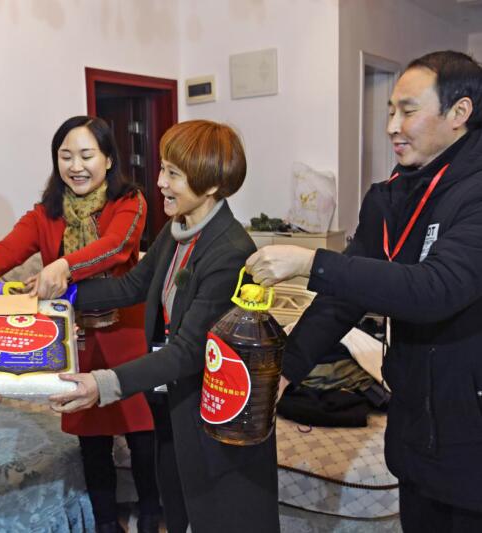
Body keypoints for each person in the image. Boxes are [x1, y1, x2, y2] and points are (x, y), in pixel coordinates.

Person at [246, 50, 482, 532]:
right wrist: (285, 371)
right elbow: (343, 299)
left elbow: (435, 289)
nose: (393, 126)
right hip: (414, 428)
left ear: (459, 112)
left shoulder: (475, 192)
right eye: (390, 111)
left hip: (470, 432)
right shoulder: (390, 195)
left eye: (408, 111)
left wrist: (311, 262)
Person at [49, 120, 280, 533]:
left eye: (173, 173)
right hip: (175, 404)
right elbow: (132, 286)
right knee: (177, 509)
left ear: (211, 184)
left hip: (214, 417)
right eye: (162, 169)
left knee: (220, 517)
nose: (159, 182)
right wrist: (57, 297)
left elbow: (188, 351)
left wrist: (102, 384)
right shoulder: (179, 231)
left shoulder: (229, 252)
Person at [0, 116, 160, 533]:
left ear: (108, 159)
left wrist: (64, 265)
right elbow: (11, 245)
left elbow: (117, 247)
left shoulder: (129, 201)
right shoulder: (46, 213)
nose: (75, 166)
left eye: (86, 155)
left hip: (125, 335)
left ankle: (153, 516)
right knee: (92, 439)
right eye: (66, 156)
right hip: (74, 340)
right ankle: (106, 523)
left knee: (142, 434)